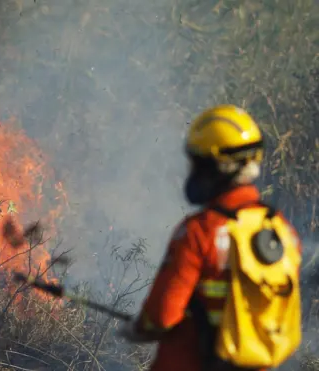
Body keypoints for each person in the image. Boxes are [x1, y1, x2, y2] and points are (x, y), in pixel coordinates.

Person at [117, 105, 303, 371]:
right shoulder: (282, 232)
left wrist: (138, 328)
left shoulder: (200, 231)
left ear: (217, 167)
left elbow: (162, 315)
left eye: (198, 163)